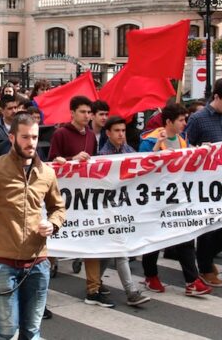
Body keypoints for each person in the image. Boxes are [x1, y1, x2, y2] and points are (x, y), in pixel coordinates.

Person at [0, 112, 66, 339]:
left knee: (31, 332)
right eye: (25, 137)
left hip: (37, 263)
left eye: (34, 137)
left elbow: (58, 209)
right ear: (12, 137)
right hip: (3, 262)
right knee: (6, 330)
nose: (30, 142)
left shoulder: (47, 173)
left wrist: (53, 224)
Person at [138, 105, 213, 297]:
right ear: (169, 121)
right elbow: (141, 165)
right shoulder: (150, 138)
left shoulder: (182, 141)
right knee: (154, 238)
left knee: (185, 237)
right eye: (181, 120)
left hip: (177, 198)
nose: (184, 123)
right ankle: (150, 275)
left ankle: (192, 280)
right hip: (154, 199)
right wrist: (157, 147)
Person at [48, 96, 108, 307]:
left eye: (89, 112)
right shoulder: (61, 133)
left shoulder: (91, 136)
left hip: (85, 198)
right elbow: (53, 161)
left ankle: (93, 289)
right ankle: (41, 289)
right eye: (83, 112)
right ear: (72, 112)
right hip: (63, 198)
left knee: (90, 239)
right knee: (53, 242)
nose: (87, 116)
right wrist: (71, 160)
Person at [185, 79, 222, 288]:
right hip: (201, 181)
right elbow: (186, 145)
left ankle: (208, 258)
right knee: (207, 227)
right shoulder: (198, 118)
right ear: (216, 97)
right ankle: (206, 266)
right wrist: (200, 148)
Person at [94, 116, 153, 305]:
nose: (121, 134)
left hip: (125, 208)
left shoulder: (130, 152)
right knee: (121, 249)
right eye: (117, 131)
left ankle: (95, 281)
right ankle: (131, 292)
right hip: (109, 209)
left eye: (123, 130)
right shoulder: (103, 156)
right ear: (108, 133)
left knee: (110, 249)